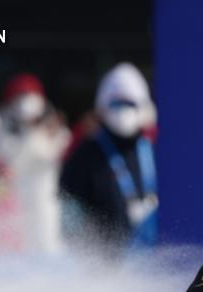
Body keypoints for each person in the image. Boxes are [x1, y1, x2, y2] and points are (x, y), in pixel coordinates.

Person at [60, 63, 158, 256]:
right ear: (103, 106)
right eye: (116, 103)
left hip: (152, 260)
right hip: (103, 268)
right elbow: (69, 209)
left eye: (130, 103)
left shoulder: (156, 149)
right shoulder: (86, 153)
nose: (123, 111)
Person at [0, 73, 71, 255]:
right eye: (19, 97)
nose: (25, 104)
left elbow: (60, 153)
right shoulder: (2, 131)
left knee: (47, 247)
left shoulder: (55, 130)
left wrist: (45, 132)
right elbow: (3, 164)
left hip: (45, 202)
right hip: (12, 203)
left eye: (30, 97)